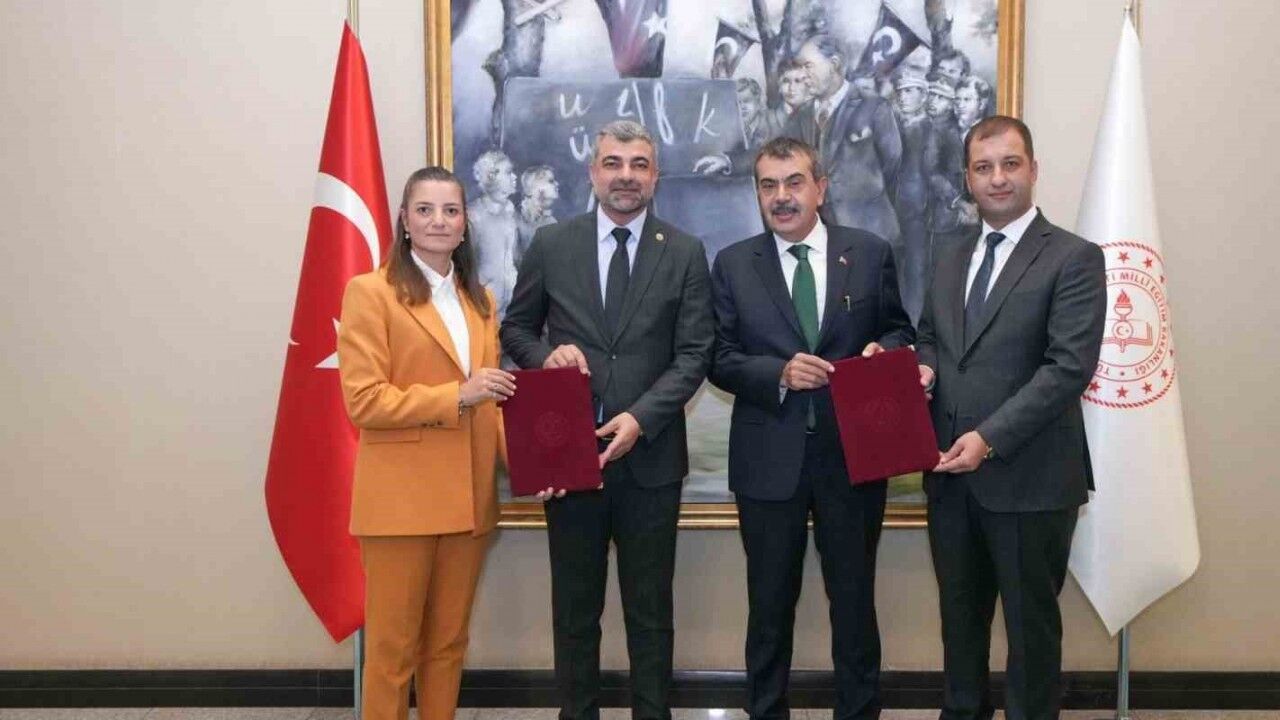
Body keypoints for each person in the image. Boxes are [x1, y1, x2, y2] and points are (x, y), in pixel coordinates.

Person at [501, 120, 714, 720]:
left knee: (651, 613)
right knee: (575, 612)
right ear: (592, 172)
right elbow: (515, 329)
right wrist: (546, 357)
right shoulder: (552, 244)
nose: (626, 176)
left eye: (639, 164)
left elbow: (695, 353)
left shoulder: (685, 252)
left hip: (651, 459)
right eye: (614, 163)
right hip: (569, 458)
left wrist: (640, 419)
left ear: (655, 176)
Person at [709, 136, 914, 720]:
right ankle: (766, 711)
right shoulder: (733, 263)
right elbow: (717, 357)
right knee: (769, 605)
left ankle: (859, 711)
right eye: (768, 185)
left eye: (794, 182)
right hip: (767, 459)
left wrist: (884, 351)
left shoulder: (869, 253)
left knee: (854, 602)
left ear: (820, 188)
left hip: (853, 456)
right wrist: (777, 373)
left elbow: (901, 330)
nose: (782, 196)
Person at [911, 116, 1106, 720]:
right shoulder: (948, 253)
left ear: (1033, 170)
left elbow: (1067, 368)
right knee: (959, 627)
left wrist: (989, 438)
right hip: (950, 478)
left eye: (1010, 164)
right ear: (967, 179)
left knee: (1031, 635)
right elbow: (930, 335)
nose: (997, 178)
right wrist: (922, 369)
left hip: (1031, 479)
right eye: (983, 167)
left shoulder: (1074, 257)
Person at [337, 166, 517, 720]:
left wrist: (536, 467)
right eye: (425, 209)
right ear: (405, 221)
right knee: (392, 654)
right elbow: (365, 401)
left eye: (450, 211)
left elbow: (492, 404)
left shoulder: (479, 301)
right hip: (402, 505)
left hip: (469, 502)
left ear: (465, 225)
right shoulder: (370, 293)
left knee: (447, 646)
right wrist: (456, 396)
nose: (439, 221)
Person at [786, 34, 903, 247]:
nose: (802, 75)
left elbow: (893, 165)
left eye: (808, 66)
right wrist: (728, 161)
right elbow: (773, 153)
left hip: (872, 236)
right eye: (799, 67)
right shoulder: (800, 116)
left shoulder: (874, 107)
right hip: (822, 240)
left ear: (834, 64)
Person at [890, 73, 938, 323]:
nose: (903, 96)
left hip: (919, 209)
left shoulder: (930, 128)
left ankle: (916, 326)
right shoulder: (894, 125)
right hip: (894, 207)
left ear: (923, 95)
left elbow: (932, 170)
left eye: (909, 91)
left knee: (917, 269)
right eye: (900, 91)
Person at [469, 149, 520, 316]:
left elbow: (514, 260)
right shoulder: (474, 216)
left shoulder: (512, 214)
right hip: (483, 308)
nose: (514, 177)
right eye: (508, 172)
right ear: (491, 176)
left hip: (512, 308)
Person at [516, 164, 560, 266]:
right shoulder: (512, 220)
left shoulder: (551, 223)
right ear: (530, 188)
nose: (557, 184)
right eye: (550, 181)